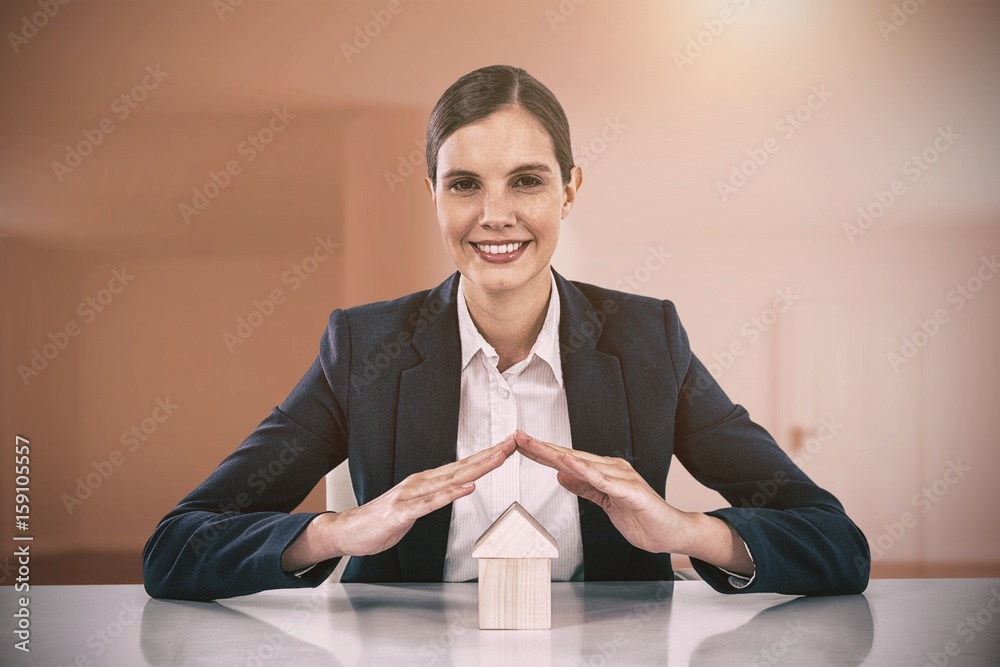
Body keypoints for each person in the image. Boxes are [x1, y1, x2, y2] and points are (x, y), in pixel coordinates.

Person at [142, 65, 870, 601]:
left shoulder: (650, 340)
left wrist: (685, 530)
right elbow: (175, 548)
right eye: (464, 184)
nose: (496, 214)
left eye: (526, 180)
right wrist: (337, 532)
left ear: (569, 190)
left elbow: (836, 543)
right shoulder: (362, 348)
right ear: (432, 195)